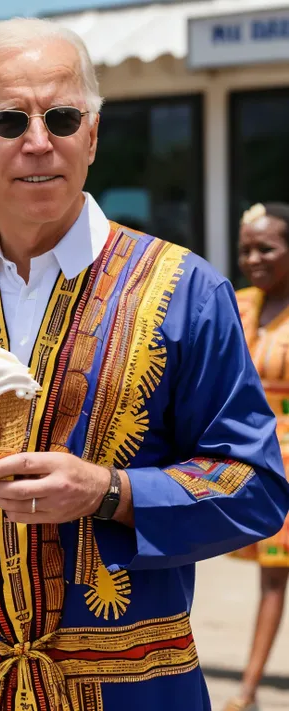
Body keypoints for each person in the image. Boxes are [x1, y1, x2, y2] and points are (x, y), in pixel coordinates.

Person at [0, 19, 289, 711]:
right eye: (10, 118)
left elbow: (257, 486)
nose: (39, 140)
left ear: (94, 134)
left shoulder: (185, 290)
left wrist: (111, 491)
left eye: (65, 116)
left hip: (136, 690)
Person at [223, 203, 289, 711]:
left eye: (267, 247)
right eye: (246, 249)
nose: (254, 258)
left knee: (274, 574)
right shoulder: (237, 303)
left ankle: (247, 688)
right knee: (272, 570)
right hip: (254, 451)